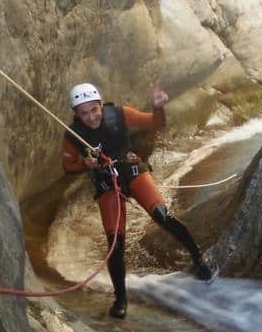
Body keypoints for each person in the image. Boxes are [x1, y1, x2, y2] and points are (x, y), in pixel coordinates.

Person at [61, 82, 216, 318]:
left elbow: (155, 123)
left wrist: (158, 107)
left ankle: (198, 258)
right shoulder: (73, 134)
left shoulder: (119, 114)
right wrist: (85, 164)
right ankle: (120, 298)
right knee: (115, 242)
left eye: (94, 110)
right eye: (84, 113)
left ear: (101, 105)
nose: (91, 117)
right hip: (106, 181)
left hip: (131, 170)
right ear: (76, 114)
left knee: (162, 216)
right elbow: (67, 166)